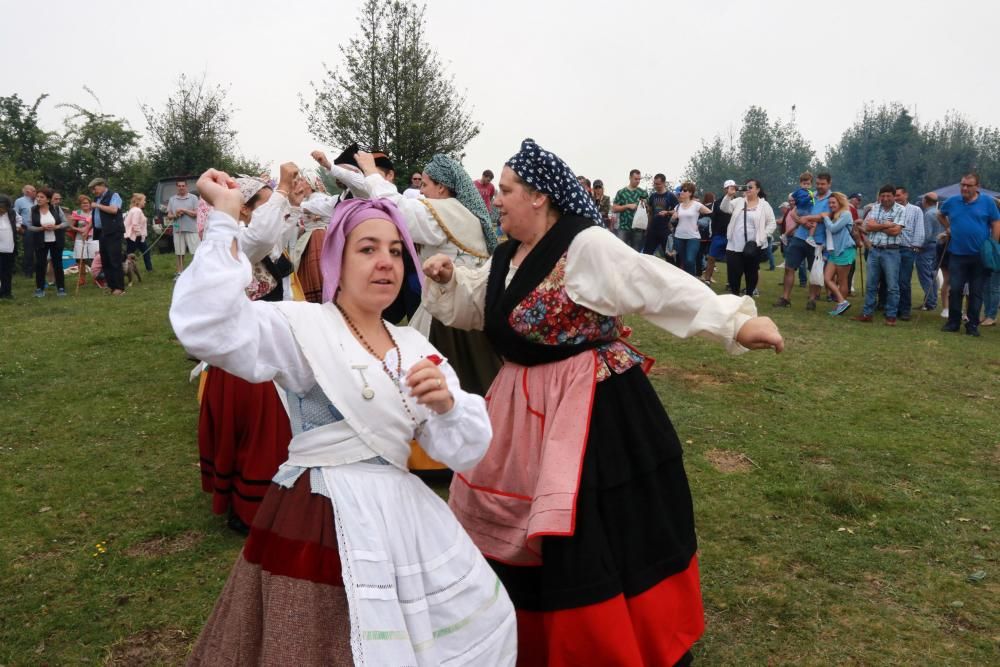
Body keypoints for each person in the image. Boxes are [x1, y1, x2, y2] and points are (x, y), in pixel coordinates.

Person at [422, 138, 783, 666]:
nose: (494, 200)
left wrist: (735, 321)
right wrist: (452, 278)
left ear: (539, 197)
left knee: (588, 527)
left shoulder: (586, 246)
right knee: (514, 525)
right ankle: (516, 636)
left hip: (588, 407)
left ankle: (601, 641)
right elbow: (483, 307)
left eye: (505, 191)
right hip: (518, 407)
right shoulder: (505, 255)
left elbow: (653, 283)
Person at [171, 169, 516, 665]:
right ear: (337, 257)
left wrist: (448, 406)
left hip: (403, 522)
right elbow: (207, 327)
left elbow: (466, 450)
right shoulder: (303, 325)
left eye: (396, 251)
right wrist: (225, 219)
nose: (385, 263)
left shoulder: (414, 344)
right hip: (319, 518)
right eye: (368, 249)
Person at [195, 166, 306, 534]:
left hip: (265, 344)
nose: (270, 208)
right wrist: (283, 189)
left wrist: (288, 197)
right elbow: (260, 235)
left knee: (268, 431)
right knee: (260, 435)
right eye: (260, 203)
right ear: (242, 210)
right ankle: (252, 507)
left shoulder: (255, 238)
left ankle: (257, 500)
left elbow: (277, 230)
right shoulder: (234, 242)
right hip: (246, 356)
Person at [363, 151, 502, 397]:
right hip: (467, 304)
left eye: (425, 185)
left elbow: (396, 207)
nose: (422, 191)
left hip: (448, 314)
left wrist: (372, 173)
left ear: (441, 187)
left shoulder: (441, 213)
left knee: (443, 380)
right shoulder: (460, 212)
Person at [938, 172, 1000, 336]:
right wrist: (948, 228)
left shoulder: (987, 202)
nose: (964, 188)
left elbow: (995, 222)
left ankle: (972, 325)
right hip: (957, 254)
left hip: (980, 255)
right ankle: (953, 322)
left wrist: (992, 244)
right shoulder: (952, 201)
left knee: (976, 292)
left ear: (977, 187)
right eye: (962, 185)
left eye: (968, 185)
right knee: (955, 289)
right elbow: (940, 214)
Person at [775, 172, 832, 309]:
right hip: (799, 236)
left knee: (814, 271)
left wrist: (809, 219)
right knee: (789, 267)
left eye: (822, 184)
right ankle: (785, 298)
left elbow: (827, 216)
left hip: (817, 240)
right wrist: (802, 221)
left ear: (829, 184)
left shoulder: (832, 199)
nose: (819, 186)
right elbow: (793, 212)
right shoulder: (808, 194)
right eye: (817, 183)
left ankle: (812, 300)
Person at [853, 184, 906, 325]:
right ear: (879, 196)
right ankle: (867, 313)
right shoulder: (875, 208)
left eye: (888, 195)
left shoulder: (901, 210)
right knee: (871, 284)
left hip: (892, 251)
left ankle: (891, 316)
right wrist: (887, 225)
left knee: (892, 286)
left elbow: (896, 231)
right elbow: (867, 227)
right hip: (874, 250)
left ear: (894, 196)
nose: (885, 198)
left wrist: (877, 226)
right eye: (882, 196)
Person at [721, 179, 776, 297]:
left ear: (758, 190)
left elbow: (772, 223)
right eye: (746, 187)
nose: (748, 189)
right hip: (734, 245)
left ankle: (749, 295)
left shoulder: (764, 205)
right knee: (733, 273)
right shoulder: (739, 201)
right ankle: (735, 296)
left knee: (751, 273)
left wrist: (762, 237)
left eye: (751, 187)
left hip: (753, 246)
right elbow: (724, 208)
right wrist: (728, 195)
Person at [27, 187, 68, 297]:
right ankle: (40, 289)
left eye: (41, 197)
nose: (38, 199)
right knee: (40, 265)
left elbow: (66, 223)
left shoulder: (56, 208)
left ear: (48, 200)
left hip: (56, 240)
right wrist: (41, 228)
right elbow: (29, 226)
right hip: (40, 241)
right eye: (37, 197)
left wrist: (56, 226)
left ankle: (61, 288)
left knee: (57, 264)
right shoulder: (32, 210)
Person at [820, 192, 855, 315]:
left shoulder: (846, 214)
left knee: (842, 280)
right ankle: (842, 302)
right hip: (833, 251)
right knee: (827, 278)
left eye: (833, 202)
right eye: (829, 203)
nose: (831, 205)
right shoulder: (834, 215)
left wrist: (825, 218)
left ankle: (841, 304)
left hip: (844, 250)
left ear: (840, 202)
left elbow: (834, 229)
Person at [89, 177, 126, 295]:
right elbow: (95, 217)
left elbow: (114, 210)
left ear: (102, 185)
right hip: (101, 232)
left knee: (114, 259)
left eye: (95, 189)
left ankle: (119, 287)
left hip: (113, 232)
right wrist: (87, 229)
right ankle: (111, 286)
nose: (94, 192)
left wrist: (98, 206)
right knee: (105, 260)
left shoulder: (114, 195)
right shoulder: (97, 199)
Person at [893, 186, 925, 321]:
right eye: (895, 196)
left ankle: (905, 310)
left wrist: (916, 245)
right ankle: (893, 309)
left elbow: (919, 228)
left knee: (904, 281)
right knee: (892, 281)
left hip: (907, 249)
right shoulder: (892, 209)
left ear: (906, 195)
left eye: (898, 195)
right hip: (892, 248)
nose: (896, 198)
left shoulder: (916, 210)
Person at [671, 181, 713, 276]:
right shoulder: (677, 206)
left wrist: (700, 223)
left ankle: (693, 280)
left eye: (684, 190)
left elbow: (710, 214)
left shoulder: (696, 205)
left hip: (693, 237)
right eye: (681, 190)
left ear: (690, 193)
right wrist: (673, 217)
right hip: (679, 237)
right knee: (684, 261)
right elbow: (673, 222)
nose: (681, 192)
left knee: (690, 260)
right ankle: (687, 280)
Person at [167, 179, 199, 278]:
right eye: (179, 186)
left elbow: (196, 214)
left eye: (183, 186)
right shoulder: (172, 199)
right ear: (177, 187)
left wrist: (184, 210)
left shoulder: (193, 198)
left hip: (192, 229)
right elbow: (169, 215)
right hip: (178, 229)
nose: (181, 187)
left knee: (195, 252)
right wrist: (175, 215)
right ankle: (180, 273)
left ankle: (196, 273)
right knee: (179, 252)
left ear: (186, 187)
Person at [643, 173, 679, 258]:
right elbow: (650, 212)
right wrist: (647, 227)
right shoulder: (652, 196)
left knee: (668, 255)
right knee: (647, 254)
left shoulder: (670, 196)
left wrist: (667, 212)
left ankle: (671, 270)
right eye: (655, 184)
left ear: (663, 183)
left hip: (665, 229)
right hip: (653, 229)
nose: (656, 186)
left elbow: (677, 210)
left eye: (658, 184)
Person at [917, 192, 943, 311]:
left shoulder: (927, 214)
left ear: (925, 201)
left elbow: (927, 234)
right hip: (938, 245)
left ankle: (930, 301)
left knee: (925, 275)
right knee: (932, 274)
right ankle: (932, 300)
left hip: (928, 247)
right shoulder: (938, 212)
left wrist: (919, 246)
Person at [612, 169, 648, 251]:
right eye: (636, 179)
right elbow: (614, 209)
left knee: (635, 253)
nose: (638, 181)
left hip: (638, 229)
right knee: (621, 251)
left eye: (639, 179)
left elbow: (648, 209)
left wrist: (645, 204)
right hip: (623, 228)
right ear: (630, 178)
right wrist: (627, 206)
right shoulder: (621, 192)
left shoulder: (643, 192)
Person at [703, 183, 733, 285]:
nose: (730, 189)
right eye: (727, 188)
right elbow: (713, 219)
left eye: (732, 187)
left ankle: (730, 282)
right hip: (719, 234)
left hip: (733, 236)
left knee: (732, 260)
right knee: (711, 257)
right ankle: (707, 279)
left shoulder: (739, 202)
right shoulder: (717, 203)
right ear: (724, 189)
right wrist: (713, 233)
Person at [69, 195, 99, 286]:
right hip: (80, 238)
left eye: (86, 203)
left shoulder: (95, 213)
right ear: (80, 205)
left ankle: (96, 278)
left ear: (90, 204)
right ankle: (82, 279)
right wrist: (79, 230)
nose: (85, 204)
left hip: (93, 237)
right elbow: (70, 226)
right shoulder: (76, 213)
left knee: (95, 258)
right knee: (80, 259)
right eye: (83, 203)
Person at [782, 171, 817, 245]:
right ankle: (810, 237)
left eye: (808, 184)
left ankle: (785, 234)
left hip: (802, 210)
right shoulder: (802, 192)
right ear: (801, 183)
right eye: (804, 184)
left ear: (811, 184)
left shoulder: (806, 191)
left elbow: (795, 198)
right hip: (804, 210)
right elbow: (802, 202)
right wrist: (809, 197)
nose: (806, 185)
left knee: (796, 224)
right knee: (814, 222)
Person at [124, 193, 153, 272]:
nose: (145, 202)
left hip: (134, 236)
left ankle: (149, 269)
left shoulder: (134, 210)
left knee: (145, 251)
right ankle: (125, 269)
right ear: (139, 201)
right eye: (144, 200)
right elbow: (135, 223)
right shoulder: (137, 210)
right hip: (135, 236)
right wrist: (138, 234)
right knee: (130, 254)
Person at [14, 184, 35, 277]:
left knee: (40, 250)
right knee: (28, 251)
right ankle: (28, 272)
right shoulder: (19, 201)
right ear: (27, 192)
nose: (35, 192)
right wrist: (20, 229)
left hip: (40, 229)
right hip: (27, 229)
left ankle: (39, 270)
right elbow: (15, 215)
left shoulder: (37, 201)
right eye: (33, 191)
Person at [0, 195, 18, 299]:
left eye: (3, 208)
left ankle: (7, 293)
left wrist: (19, 227)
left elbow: (19, 221)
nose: (2, 211)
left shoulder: (12, 213)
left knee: (7, 271)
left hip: (9, 247)